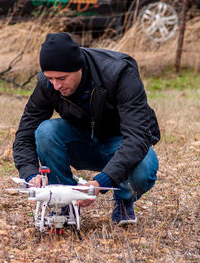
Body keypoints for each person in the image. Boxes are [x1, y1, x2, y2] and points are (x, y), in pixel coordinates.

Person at [13, 32, 160, 225]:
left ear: (79, 68)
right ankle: (64, 203)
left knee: (143, 171)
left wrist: (101, 182)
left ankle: (124, 199)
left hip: (120, 140)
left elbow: (138, 136)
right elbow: (25, 134)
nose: (56, 85)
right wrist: (30, 173)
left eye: (62, 78)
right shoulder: (47, 85)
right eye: (50, 79)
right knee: (45, 131)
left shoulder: (120, 72)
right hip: (81, 140)